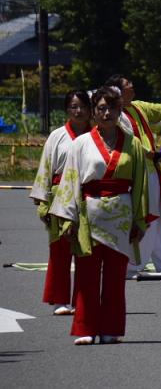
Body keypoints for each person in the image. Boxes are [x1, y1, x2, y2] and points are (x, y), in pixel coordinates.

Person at [48, 86, 148, 345]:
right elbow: (71, 181)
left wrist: (139, 219)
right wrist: (68, 218)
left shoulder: (133, 144)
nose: (106, 113)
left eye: (111, 108)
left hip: (121, 216)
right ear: (94, 112)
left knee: (115, 277)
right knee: (86, 275)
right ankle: (85, 328)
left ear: (119, 111)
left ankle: (111, 328)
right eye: (101, 108)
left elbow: (140, 184)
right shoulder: (80, 143)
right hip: (88, 216)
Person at [106, 74, 161, 276]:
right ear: (118, 91)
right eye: (128, 84)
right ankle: (132, 264)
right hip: (134, 173)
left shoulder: (138, 107)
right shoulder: (115, 116)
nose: (133, 86)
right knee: (143, 216)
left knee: (160, 217)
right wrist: (153, 153)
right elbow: (128, 143)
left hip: (152, 171)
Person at [30, 90, 91, 315]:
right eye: (74, 106)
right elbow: (45, 168)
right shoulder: (57, 136)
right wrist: (43, 202)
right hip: (59, 199)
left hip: (87, 198)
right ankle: (59, 300)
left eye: (83, 106)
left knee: (86, 251)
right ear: (67, 110)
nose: (79, 111)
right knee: (60, 251)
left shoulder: (97, 135)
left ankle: (83, 300)